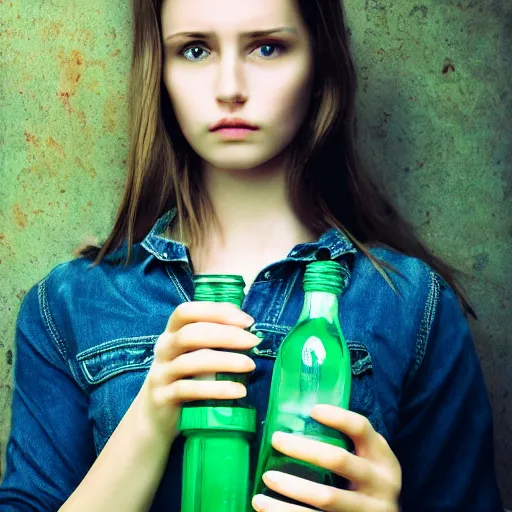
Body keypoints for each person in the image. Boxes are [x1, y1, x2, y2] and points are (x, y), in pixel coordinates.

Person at [0, 0, 504, 510]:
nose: (229, 88)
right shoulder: (68, 304)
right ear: (161, 69)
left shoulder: (409, 302)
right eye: (195, 50)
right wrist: (150, 417)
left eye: (267, 47)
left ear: (319, 63)